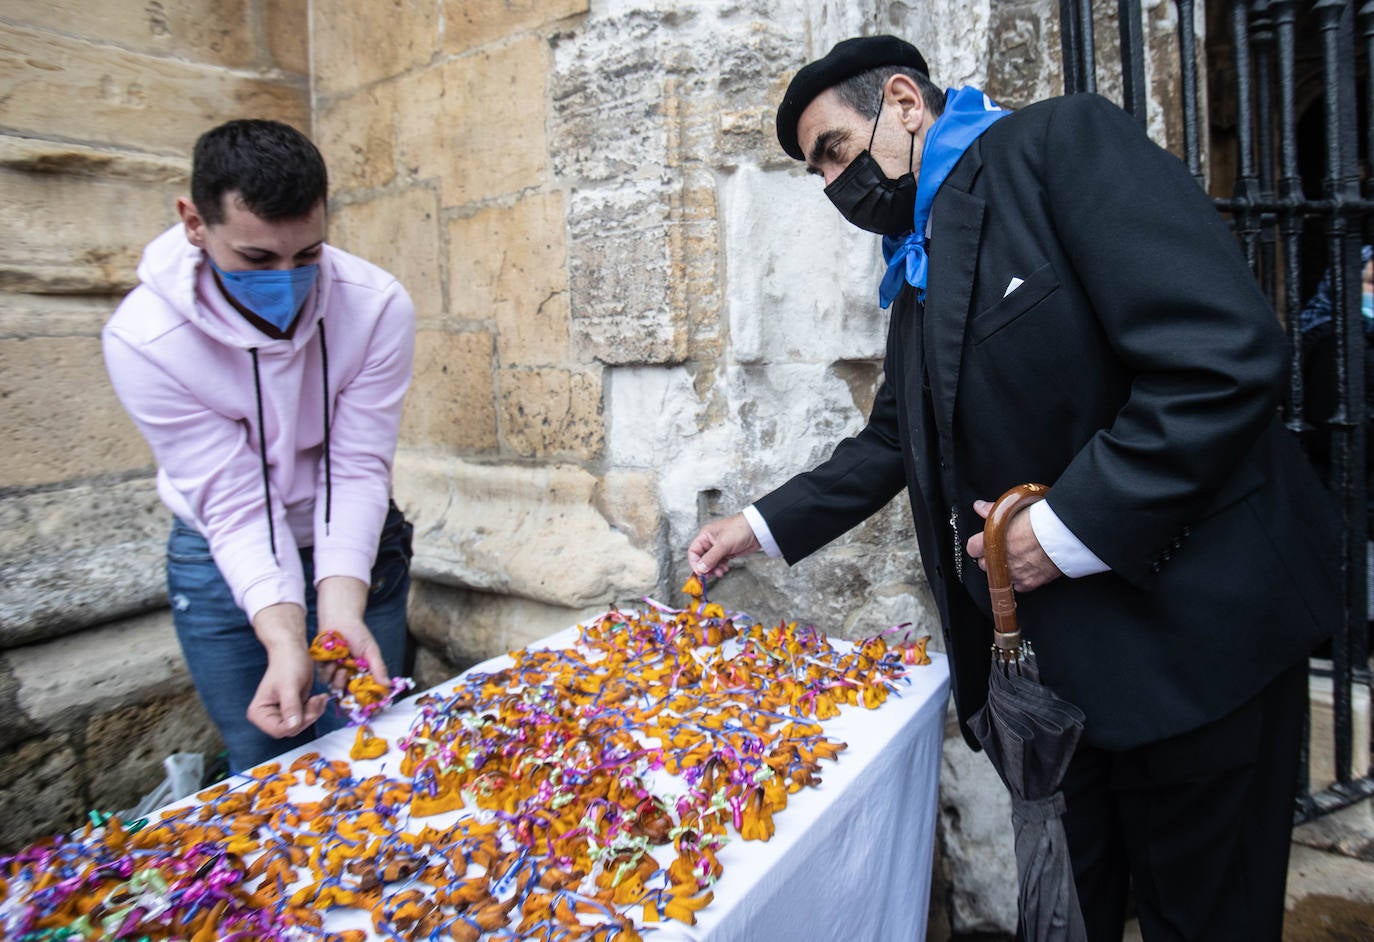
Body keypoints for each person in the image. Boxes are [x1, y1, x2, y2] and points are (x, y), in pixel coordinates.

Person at [687, 36, 1338, 941]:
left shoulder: (1059, 148)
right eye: (815, 172)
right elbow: (891, 441)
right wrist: (756, 527)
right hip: (1055, 695)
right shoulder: (918, 272)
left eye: (835, 149)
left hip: (1192, 653)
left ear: (906, 102)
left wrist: (1066, 527)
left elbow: (1220, 361)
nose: (835, 185)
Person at [104, 119, 416, 773]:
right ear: (194, 222)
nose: (286, 278)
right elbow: (234, 501)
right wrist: (282, 636)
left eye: (308, 256)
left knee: (370, 751)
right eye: (256, 259)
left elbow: (357, 465)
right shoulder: (141, 339)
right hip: (220, 554)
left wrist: (336, 616)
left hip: (359, 548)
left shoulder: (378, 305)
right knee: (264, 756)